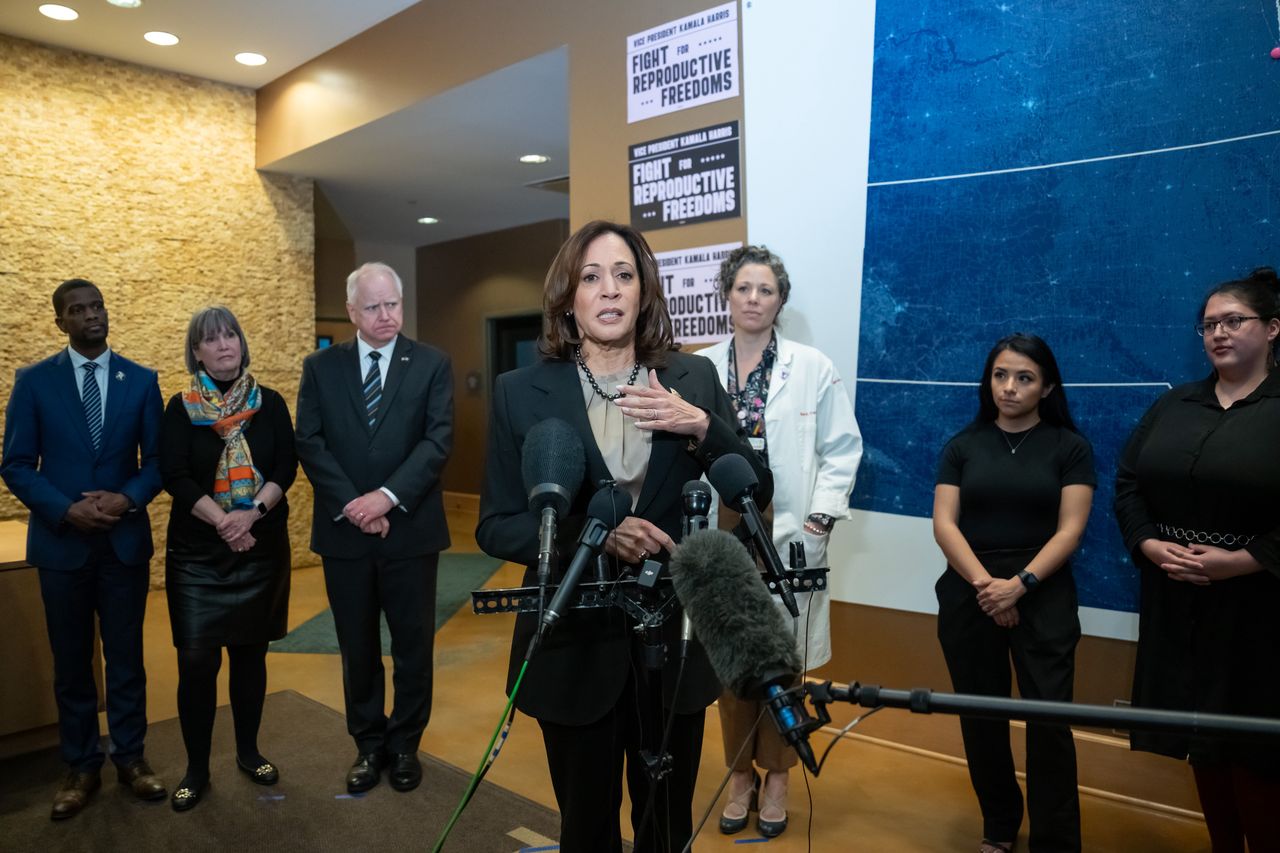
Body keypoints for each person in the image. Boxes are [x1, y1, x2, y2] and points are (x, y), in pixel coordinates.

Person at [475, 220, 772, 853]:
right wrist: (596, 534)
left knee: (664, 826)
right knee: (587, 827)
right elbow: (497, 524)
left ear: (643, 293)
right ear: (568, 298)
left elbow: (757, 485)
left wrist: (701, 425)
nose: (608, 290)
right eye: (591, 277)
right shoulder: (518, 393)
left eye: (624, 275)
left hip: (674, 639)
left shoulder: (692, 381)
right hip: (573, 640)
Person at [1115, 267, 1280, 852]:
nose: (1219, 333)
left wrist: (1245, 561)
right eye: (1209, 325)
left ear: (1274, 328)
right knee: (1198, 735)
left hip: (1259, 607)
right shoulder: (1175, 404)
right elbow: (1129, 482)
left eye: (1234, 320)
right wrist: (1147, 544)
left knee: (1255, 746)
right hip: (1176, 597)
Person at [699, 244, 862, 837]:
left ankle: (777, 778)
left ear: (780, 300)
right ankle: (739, 776)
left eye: (765, 290)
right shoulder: (699, 367)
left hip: (787, 534)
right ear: (727, 294)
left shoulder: (811, 366)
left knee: (782, 666)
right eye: (743, 287)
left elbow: (842, 449)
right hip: (724, 532)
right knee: (730, 664)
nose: (753, 299)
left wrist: (819, 521)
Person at [1, 278, 166, 819]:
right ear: (60, 322)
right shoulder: (33, 383)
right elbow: (17, 464)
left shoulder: (141, 381)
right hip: (61, 544)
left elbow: (159, 463)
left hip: (122, 545)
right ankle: (80, 765)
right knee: (72, 663)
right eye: (78, 309)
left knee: (126, 659)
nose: (92, 315)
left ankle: (132, 759)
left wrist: (125, 498)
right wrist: (65, 508)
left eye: (97, 306)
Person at [295, 261, 453, 794]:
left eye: (393, 304)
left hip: (411, 534)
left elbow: (436, 442)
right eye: (373, 307)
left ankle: (405, 744)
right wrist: (355, 506)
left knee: (412, 648)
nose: (386, 315)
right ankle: (367, 745)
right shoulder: (320, 368)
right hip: (345, 536)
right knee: (357, 647)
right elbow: (310, 443)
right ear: (351, 312)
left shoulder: (431, 364)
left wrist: (386, 498)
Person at [931, 333, 1093, 853]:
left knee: (1050, 724)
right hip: (970, 596)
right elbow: (944, 525)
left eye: (1024, 377)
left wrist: (1018, 587)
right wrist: (988, 589)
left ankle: (1055, 840)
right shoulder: (962, 445)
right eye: (1001, 375)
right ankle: (999, 825)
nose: (1009, 387)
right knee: (982, 721)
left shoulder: (1070, 447)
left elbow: (1069, 532)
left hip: (1042, 595)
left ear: (1047, 386)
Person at [158, 306, 297, 811]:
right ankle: (196, 767)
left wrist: (251, 515)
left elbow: (287, 465)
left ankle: (247, 750)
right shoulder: (179, 406)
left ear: (241, 342)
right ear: (196, 351)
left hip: (258, 548)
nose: (224, 345)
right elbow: (173, 473)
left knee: (249, 654)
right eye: (211, 340)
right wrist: (223, 521)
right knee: (196, 661)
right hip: (198, 553)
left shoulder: (272, 403)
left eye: (230, 336)